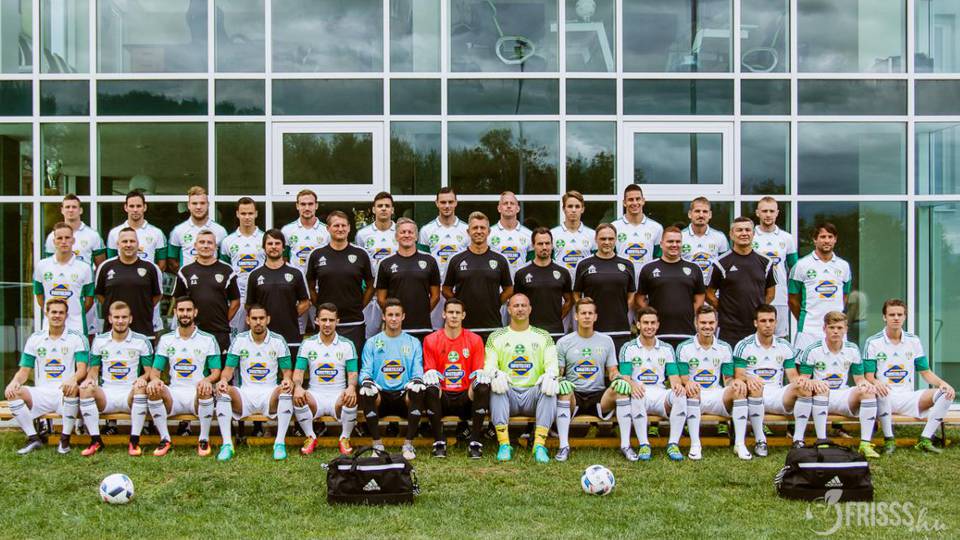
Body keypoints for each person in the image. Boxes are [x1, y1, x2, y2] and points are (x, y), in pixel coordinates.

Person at [863, 299, 955, 454]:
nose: (896, 318)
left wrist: (943, 383)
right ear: (884, 317)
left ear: (905, 317)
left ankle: (925, 439)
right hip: (885, 398)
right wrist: (876, 383)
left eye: (900, 314)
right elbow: (868, 376)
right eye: (892, 314)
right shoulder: (873, 342)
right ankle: (889, 440)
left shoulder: (914, 341)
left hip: (909, 398)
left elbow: (925, 372)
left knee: (946, 393)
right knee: (882, 391)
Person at [4, 299, 89, 455]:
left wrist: (73, 379)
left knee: (72, 389)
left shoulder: (77, 338)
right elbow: (24, 371)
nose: (57, 315)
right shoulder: (35, 338)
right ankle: (33, 438)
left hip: (64, 392)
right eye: (54, 312)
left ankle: (64, 441)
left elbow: (82, 370)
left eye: (61, 312)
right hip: (41, 392)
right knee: (13, 393)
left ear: (66, 315)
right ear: (46, 314)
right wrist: (14, 382)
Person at [554, 297, 633, 462]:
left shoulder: (606, 341)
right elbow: (559, 372)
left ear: (596, 317)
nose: (587, 316)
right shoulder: (563, 342)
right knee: (564, 391)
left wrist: (618, 378)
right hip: (574, 395)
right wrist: (560, 380)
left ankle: (626, 445)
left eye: (590, 313)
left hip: (598, 396)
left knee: (621, 390)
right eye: (583, 313)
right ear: (576, 316)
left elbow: (612, 371)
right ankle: (563, 446)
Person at [486, 294, 558, 463]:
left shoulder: (543, 336)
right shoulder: (496, 336)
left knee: (549, 388)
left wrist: (550, 374)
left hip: (533, 394)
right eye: (516, 305)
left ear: (530, 309)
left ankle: (539, 445)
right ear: (509, 309)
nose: (520, 309)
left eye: (523, 305)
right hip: (508, 394)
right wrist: (495, 373)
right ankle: (504, 444)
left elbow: (552, 364)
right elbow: (489, 366)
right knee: (497, 386)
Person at [146, 296, 222, 457]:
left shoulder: (208, 339)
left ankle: (203, 439)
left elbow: (216, 372)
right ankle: (165, 439)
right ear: (175, 312)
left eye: (188, 310)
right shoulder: (166, 339)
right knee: (153, 389)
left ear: (195, 312)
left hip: (197, 394)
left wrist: (207, 380)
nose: (185, 313)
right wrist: (155, 380)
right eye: (181, 310)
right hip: (174, 394)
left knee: (206, 389)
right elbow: (155, 371)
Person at [216, 305, 294, 461]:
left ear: (268, 319)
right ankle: (227, 445)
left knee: (285, 390)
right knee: (223, 391)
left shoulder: (278, 340)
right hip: (245, 395)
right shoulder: (240, 340)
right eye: (254, 318)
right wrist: (223, 380)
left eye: (261, 318)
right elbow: (228, 370)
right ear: (248, 320)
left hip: (269, 395)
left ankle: (279, 443)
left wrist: (287, 380)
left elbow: (287, 372)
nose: (258, 322)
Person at [795, 312, 878, 457]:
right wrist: (813, 382)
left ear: (846, 329)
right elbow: (803, 379)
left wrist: (865, 384)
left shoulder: (852, 349)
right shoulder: (813, 350)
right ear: (824, 328)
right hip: (820, 397)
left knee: (868, 392)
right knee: (822, 389)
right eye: (831, 327)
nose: (835, 331)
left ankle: (865, 444)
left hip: (843, 396)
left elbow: (859, 379)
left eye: (839, 328)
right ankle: (822, 440)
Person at [675, 305, 751, 460]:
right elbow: (683, 378)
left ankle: (739, 444)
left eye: (711, 322)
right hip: (694, 396)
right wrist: (688, 383)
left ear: (716, 323)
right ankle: (695, 444)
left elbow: (728, 379)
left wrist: (734, 384)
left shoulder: (725, 347)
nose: (707, 326)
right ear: (696, 323)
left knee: (739, 390)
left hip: (717, 395)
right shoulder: (684, 348)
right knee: (693, 390)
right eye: (703, 322)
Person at [77, 301, 153, 456]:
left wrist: (143, 378)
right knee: (85, 389)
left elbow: (150, 372)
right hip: (106, 395)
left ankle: (134, 442)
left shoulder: (141, 341)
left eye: (124, 317)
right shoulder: (100, 340)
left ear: (130, 319)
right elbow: (94, 369)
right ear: (110, 319)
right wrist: (90, 379)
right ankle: (96, 441)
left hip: (130, 394)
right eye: (116, 317)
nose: (120, 321)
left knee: (141, 387)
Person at [358, 299, 425, 460]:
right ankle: (377, 445)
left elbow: (418, 369)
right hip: (381, 396)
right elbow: (365, 370)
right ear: (383, 316)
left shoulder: (413, 342)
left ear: (403, 316)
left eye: (397, 315)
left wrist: (417, 380)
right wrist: (366, 381)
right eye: (390, 315)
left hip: (403, 395)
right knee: (367, 392)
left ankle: (408, 444)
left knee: (418, 391)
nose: (393, 319)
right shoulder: (372, 342)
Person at [617, 307, 687, 461]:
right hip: (640, 394)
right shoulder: (628, 348)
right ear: (638, 325)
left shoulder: (667, 348)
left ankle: (673, 444)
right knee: (637, 394)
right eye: (645, 323)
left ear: (658, 325)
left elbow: (674, 377)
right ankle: (644, 444)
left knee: (680, 395)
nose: (649, 326)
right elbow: (625, 377)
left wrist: (677, 385)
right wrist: (633, 385)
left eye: (652, 323)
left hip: (660, 395)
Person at [422, 298, 488, 459]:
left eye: (458, 313)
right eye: (450, 312)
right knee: (430, 387)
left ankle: (475, 442)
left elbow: (477, 372)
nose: (454, 316)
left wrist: (477, 382)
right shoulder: (431, 340)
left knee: (483, 386)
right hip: (442, 397)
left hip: (466, 397)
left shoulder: (475, 339)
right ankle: (439, 442)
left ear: (463, 315)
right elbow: (430, 371)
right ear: (443, 314)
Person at [733, 304, 801, 457]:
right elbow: (739, 376)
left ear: (776, 322)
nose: (768, 325)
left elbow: (793, 377)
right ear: (755, 323)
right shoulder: (743, 346)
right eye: (763, 321)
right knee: (756, 387)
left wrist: (803, 382)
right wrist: (749, 379)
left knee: (802, 388)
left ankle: (798, 440)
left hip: (778, 395)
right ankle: (760, 440)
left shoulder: (785, 346)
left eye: (771, 320)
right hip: (754, 395)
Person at [293, 303, 359, 457]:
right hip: (315, 396)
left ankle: (345, 438)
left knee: (351, 397)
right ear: (316, 320)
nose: (327, 324)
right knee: (299, 396)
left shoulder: (347, 345)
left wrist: (351, 387)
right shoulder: (308, 344)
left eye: (331, 320)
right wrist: (298, 386)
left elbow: (353, 374)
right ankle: (310, 437)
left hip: (338, 396)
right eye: (324, 320)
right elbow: (298, 372)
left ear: (337, 321)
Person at [307, 211, 374, 355]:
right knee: (325, 361)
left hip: (354, 322)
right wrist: (320, 306)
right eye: (336, 225)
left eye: (344, 225)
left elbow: (371, 285)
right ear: (328, 228)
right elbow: (310, 286)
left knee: (353, 362)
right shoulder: (316, 255)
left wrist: (359, 305)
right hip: (326, 322)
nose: (340, 229)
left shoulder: (361, 254)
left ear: (349, 228)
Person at [442, 212, 513, 343]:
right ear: (468, 231)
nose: (479, 231)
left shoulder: (500, 259)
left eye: (482, 228)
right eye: (475, 228)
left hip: (492, 326)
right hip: (463, 328)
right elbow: (446, 289)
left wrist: (496, 302)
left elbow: (509, 289)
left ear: (489, 231)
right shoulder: (456, 259)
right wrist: (458, 304)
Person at [706, 217, 776, 346]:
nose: (744, 233)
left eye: (748, 230)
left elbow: (771, 293)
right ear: (731, 234)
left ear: (753, 234)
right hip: (729, 329)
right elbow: (709, 293)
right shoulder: (720, 263)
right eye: (739, 230)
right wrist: (725, 308)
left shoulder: (766, 262)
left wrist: (758, 311)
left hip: (756, 328)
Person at [172, 229, 240, 356]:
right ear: (195, 246)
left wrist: (224, 319)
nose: (205, 245)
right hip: (193, 332)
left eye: (209, 242)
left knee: (220, 367)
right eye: (202, 242)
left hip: (219, 331)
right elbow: (178, 301)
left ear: (215, 247)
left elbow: (236, 301)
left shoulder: (227, 270)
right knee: (194, 366)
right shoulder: (185, 271)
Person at [637, 225, 705, 349]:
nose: (674, 245)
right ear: (661, 244)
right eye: (670, 241)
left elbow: (700, 297)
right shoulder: (648, 268)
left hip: (687, 332)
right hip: (656, 334)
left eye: (678, 242)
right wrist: (651, 317)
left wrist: (690, 315)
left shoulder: (694, 268)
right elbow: (640, 298)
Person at [245, 229, 311, 356]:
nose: (274, 247)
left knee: (290, 369)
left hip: (290, 335)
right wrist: (261, 319)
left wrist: (290, 313)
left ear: (283, 247)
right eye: (270, 244)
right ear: (264, 247)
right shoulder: (254, 275)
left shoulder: (296, 273)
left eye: (277, 243)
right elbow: (249, 305)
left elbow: (306, 302)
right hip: (263, 337)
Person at [573, 223, 636, 354]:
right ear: (596, 240)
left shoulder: (627, 264)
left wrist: (622, 310)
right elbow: (576, 293)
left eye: (610, 239)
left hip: (620, 329)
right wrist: (585, 312)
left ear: (616, 239)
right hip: (592, 329)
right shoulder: (584, 264)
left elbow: (631, 294)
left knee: (617, 366)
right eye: (603, 239)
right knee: (592, 365)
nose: (607, 242)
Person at [789, 222, 852, 351]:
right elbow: (792, 299)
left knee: (836, 363)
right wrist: (805, 319)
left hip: (836, 330)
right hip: (809, 330)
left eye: (830, 237)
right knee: (804, 364)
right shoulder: (801, 265)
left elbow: (845, 296)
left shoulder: (844, 266)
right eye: (823, 237)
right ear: (815, 239)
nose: (827, 240)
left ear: (835, 239)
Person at [375, 218, 441, 341]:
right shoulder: (385, 263)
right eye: (403, 232)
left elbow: (436, 295)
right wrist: (394, 316)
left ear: (416, 236)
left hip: (422, 327)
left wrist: (422, 312)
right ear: (396, 236)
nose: (407, 235)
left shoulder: (430, 261)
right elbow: (381, 298)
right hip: (395, 329)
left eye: (410, 232)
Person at [95, 227, 162, 337]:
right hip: (113, 332)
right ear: (118, 244)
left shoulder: (151, 268)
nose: (128, 245)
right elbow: (99, 294)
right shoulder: (105, 267)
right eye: (124, 241)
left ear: (138, 244)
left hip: (143, 330)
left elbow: (157, 295)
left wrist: (143, 307)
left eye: (132, 241)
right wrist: (113, 308)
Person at [281, 189, 330, 334]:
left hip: (320, 289)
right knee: (295, 330)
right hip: (296, 289)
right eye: (303, 204)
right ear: (297, 206)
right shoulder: (287, 230)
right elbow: (284, 260)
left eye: (310, 204)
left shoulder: (326, 231)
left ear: (316, 205)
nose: (307, 207)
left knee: (323, 330)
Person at [419, 187, 469, 328]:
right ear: (436, 203)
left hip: (457, 290)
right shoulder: (426, 230)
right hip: (435, 291)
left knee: (458, 330)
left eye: (450, 202)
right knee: (434, 331)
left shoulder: (466, 230)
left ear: (456, 203)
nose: (447, 206)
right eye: (443, 202)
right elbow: (422, 263)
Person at [35, 222, 94, 335]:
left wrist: (75, 313)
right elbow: (39, 296)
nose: (63, 241)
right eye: (59, 238)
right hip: (49, 328)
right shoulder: (42, 266)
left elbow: (89, 300)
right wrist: (53, 313)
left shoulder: (85, 268)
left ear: (73, 240)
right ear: (54, 241)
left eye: (67, 238)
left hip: (76, 328)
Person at [513, 227, 572, 338]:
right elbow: (515, 303)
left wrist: (557, 317)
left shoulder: (563, 272)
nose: (544, 247)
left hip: (556, 331)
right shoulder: (521, 273)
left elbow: (569, 300)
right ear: (533, 246)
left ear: (552, 245)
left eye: (547, 243)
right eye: (540, 244)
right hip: (529, 331)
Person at [355, 192, 398, 339]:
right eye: (380, 206)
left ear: (392, 209)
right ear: (374, 209)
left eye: (387, 206)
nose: (384, 209)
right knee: (369, 337)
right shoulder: (363, 234)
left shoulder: (400, 232)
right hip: (372, 294)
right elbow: (360, 263)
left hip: (394, 292)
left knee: (394, 335)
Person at [219, 197, 265, 332]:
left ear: (256, 214)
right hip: (237, 297)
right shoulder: (228, 241)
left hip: (260, 294)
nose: (247, 217)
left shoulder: (265, 239)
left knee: (260, 332)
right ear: (237, 214)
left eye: (250, 213)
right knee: (236, 336)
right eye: (243, 213)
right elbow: (224, 271)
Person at [754, 196, 797, 338]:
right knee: (753, 335)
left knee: (779, 337)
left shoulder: (787, 238)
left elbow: (794, 269)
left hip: (780, 296)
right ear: (757, 213)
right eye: (764, 211)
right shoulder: (750, 236)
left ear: (777, 213)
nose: (768, 214)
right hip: (754, 295)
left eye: (771, 211)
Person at [166, 186, 227, 273]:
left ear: (208, 205)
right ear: (188, 205)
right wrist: (186, 275)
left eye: (202, 203)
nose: (198, 207)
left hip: (213, 278)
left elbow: (225, 261)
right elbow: (172, 260)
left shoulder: (220, 231)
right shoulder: (178, 230)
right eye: (194, 203)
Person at [106, 190, 167, 272]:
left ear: (145, 207)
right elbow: (111, 263)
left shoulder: (157, 233)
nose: (135, 210)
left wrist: (149, 277)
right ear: (125, 207)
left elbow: (162, 265)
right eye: (131, 206)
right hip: (122, 279)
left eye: (138, 206)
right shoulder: (114, 233)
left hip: (147, 279)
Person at [44, 194, 106, 267]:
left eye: (74, 207)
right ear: (62, 210)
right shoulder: (53, 236)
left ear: (80, 210)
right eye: (67, 207)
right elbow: (49, 265)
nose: (71, 210)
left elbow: (101, 267)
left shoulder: (93, 235)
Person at [615, 184, 663, 276]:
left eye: (638, 199)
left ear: (643, 201)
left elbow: (658, 258)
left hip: (647, 280)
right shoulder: (614, 227)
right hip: (622, 279)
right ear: (624, 203)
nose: (635, 203)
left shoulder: (656, 228)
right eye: (630, 199)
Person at [681, 197, 729, 285]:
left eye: (705, 211)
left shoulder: (720, 237)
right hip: (686, 286)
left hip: (712, 288)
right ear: (690, 214)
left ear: (710, 214)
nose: (701, 215)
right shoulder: (680, 236)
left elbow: (726, 265)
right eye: (697, 211)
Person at [550, 190, 596, 279]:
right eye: (570, 206)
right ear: (564, 209)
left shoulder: (592, 235)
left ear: (582, 209)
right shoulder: (553, 234)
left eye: (577, 206)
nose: (573, 210)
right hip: (560, 283)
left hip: (585, 283)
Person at [489, 191, 532, 277]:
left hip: (521, 283)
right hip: (497, 283)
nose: (509, 206)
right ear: (499, 208)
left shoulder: (529, 235)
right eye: (505, 203)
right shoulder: (489, 233)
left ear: (518, 208)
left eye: (512, 203)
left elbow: (533, 264)